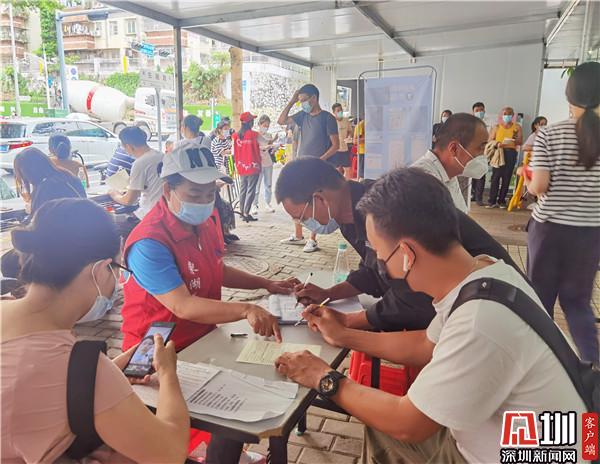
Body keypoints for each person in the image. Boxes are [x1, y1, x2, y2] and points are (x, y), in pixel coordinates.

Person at [275, 168, 586, 464]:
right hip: (531, 435)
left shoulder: (479, 321)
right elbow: (425, 344)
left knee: (390, 423)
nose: (380, 269)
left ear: (407, 256)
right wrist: (344, 335)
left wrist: (322, 377)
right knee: (379, 426)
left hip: (529, 453)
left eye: (381, 259)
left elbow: (407, 424)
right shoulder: (485, 272)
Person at [120, 142, 297, 463]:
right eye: (194, 193)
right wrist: (246, 308)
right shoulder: (150, 242)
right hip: (156, 352)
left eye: (209, 193)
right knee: (172, 437)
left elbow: (216, 268)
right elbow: (183, 306)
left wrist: (265, 284)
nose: (204, 201)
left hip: (203, 339)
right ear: (168, 190)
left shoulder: (208, 219)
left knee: (234, 411)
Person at [1, 198, 189, 463]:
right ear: (100, 270)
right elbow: (170, 453)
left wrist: (107, 371)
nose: (117, 283)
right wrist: (168, 373)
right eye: (118, 270)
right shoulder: (79, 367)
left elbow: (35, 385)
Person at [275, 157, 520, 333]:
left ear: (319, 199)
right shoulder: (350, 215)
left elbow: (411, 298)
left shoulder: (385, 210)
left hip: (497, 309)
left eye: (301, 216)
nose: (303, 224)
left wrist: (347, 323)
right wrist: (329, 294)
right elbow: (375, 270)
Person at [526, 61, 600, 365]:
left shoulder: (549, 134)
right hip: (591, 234)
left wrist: (527, 180)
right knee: (578, 303)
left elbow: (539, 186)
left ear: (570, 95)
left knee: (539, 300)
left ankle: (537, 363)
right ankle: (592, 365)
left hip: (550, 230)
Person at [2, 148, 87, 280]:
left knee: (7, 262)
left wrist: (25, 220)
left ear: (27, 172)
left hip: (61, 246)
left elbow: (38, 229)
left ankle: (33, 289)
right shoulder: (68, 177)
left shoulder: (45, 188)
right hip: (82, 238)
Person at [277, 83, 339, 253]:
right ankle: (298, 235)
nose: (302, 103)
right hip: (300, 167)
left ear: (314, 98)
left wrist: (320, 160)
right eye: (300, 101)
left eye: (304, 100)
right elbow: (281, 121)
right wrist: (292, 101)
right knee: (295, 199)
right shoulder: (302, 116)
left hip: (318, 169)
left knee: (314, 203)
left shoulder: (327, 118)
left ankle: (312, 239)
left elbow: (335, 145)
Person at [412, 113, 489, 213]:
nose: (483, 155)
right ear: (454, 149)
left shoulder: (449, 173)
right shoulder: (423, 182)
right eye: (480, 148)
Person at [109, 126, 163, 220]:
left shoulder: (140, 163)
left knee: (113, 221)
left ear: (129, 146)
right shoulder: (161, 155)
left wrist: (114, 194)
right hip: (164, 211)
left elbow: (129, 200)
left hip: (149, 214)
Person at [486, 106, 522, 208]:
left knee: (507, 177)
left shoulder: (517, 127)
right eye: (505, 114)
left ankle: (501, 201)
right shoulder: (496, 127)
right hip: (498, 153)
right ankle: (492, 201)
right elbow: (490, 140)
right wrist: (498, 143)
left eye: (509, 114)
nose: (507, 116)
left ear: (513, 115)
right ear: (501, 115)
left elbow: (520, 141)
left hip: (511, 153)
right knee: (495, 177)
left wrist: (511, 142)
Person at [232, 112, 262, 222]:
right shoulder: (254, 135)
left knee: (243, 189)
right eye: (252, 120)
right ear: (250, 122)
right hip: (253, 166)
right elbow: (264, 144)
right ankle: (246, 213)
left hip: (241, 166)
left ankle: (241, 212)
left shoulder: (235, 136)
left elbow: (233, 151)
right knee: (251, 189)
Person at [252, 114, 275, 214]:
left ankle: (268, 204)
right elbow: (253, 148)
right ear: (259, 124)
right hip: (258, 163)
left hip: (268, 163)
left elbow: (270, 149)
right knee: (256, 185)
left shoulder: (269, 136)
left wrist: (273, 148)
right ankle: (254, 205)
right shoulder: (255, 135)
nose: (266, 127)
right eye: (264, 125)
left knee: (268, 184)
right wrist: (264, 147)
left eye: (267, 126)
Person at [471, 102, 488, 205]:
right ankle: (472, 195)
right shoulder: (470, 124)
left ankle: (479, 198)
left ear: (484, 111)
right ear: (473, 112)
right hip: (471, 153)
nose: (479, 112)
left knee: (481, 174)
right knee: (472, 174)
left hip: (483, 152)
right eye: (477, 111)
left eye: (481, 110)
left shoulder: (488, 123)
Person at [330, 103, 353, 178]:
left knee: (347, 169)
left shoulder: (346, 120)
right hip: (334, 149)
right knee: (336, 170)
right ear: (334, 112)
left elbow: (350, 131)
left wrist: (349, 136)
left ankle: (347, 183)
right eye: (338, 110)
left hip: (344, 148)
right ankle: (336, 184)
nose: (340, 112)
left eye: (341, 110)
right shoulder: (331, 121)